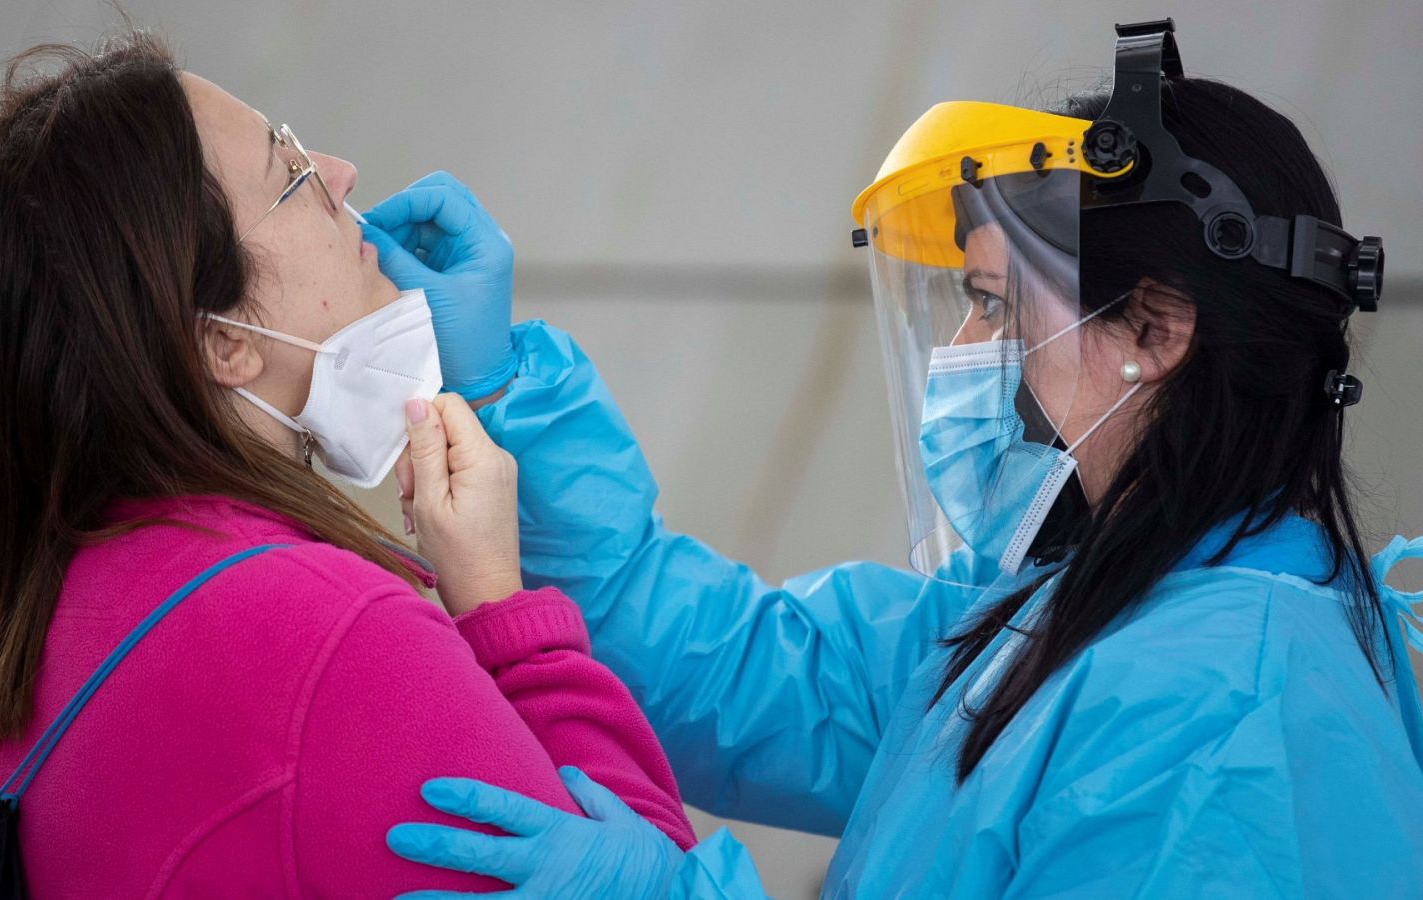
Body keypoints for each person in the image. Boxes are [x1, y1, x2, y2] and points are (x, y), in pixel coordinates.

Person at [365, 21, 1423, 898]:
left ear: (1154, 332)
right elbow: (726, 669)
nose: (962, 357)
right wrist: (505, 383)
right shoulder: (1061, 617)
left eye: (993, 305)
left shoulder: (1228, 717)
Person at [0, 32, 694, 898]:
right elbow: (652, 874)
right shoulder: (334, 637)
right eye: (292, 172)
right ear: (223, 341)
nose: (340, 172)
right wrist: (506, 617)